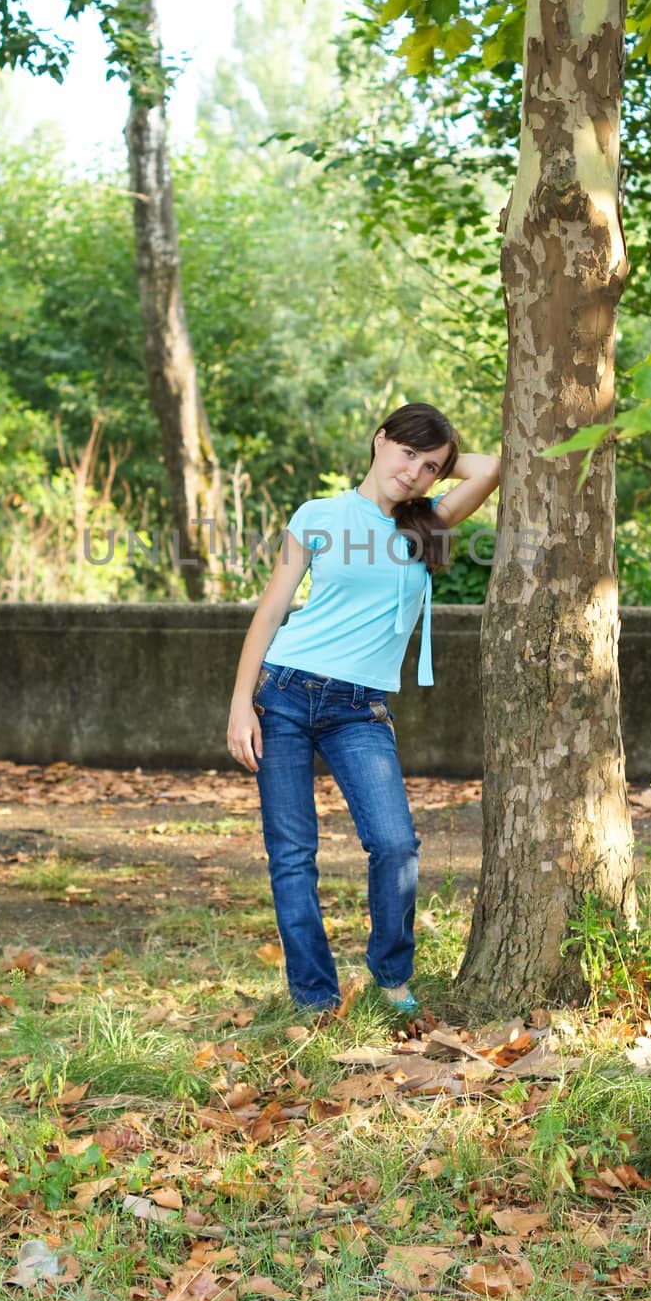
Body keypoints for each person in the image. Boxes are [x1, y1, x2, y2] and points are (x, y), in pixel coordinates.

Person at [226, 403, 501, 1016]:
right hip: (286, 693)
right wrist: (241, 704)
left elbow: (497, 467)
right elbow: (271, 612)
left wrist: (442, 459)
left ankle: (392, 976)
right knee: (293, 853)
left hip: (360, 709)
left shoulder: (429, 520)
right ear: (379, 439)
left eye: (431, 466)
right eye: (407, 452)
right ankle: (315, 997)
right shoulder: (319, 515)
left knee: (396, 844)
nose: (416, 472)